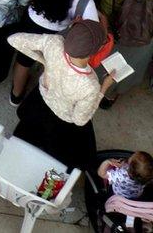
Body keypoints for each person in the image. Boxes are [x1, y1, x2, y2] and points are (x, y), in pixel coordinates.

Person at [9, 21, 118, 172]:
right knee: (59, 155)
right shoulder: (90, 84)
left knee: (30, 133)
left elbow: (14, 39)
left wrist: (44, 61)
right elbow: (79, 120)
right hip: (61, 122)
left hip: (40, 101)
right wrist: (104, 87)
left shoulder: (54, 42)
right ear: (97, 50)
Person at [8, 0, 99, 106]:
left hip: (31, 25)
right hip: (58, 36)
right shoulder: (84, 0)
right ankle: (44, 97)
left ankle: (16, 95)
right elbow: (93, 30)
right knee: (51, 66)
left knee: (23, 61)